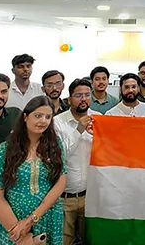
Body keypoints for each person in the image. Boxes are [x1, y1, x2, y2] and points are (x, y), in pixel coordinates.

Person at [0, 96, 66, 245]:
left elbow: (60, 183)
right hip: (11, 222)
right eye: (38, 115)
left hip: (47, 216)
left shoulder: (55, 145)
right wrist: (20, 234)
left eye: (48, 117)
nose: (43, 121)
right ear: (25, 117)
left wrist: (32, 219)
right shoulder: (4, 150)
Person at [54, 79, 101, 245]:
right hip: (65, 198)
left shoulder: (99, 118)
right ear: (69, 99)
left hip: (91, 196)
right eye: (78, 95)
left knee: (92, 240)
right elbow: (60, 155)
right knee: (62, 241)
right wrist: (79, 130)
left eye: (87, 95)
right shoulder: (57, 122)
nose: (83, 99)